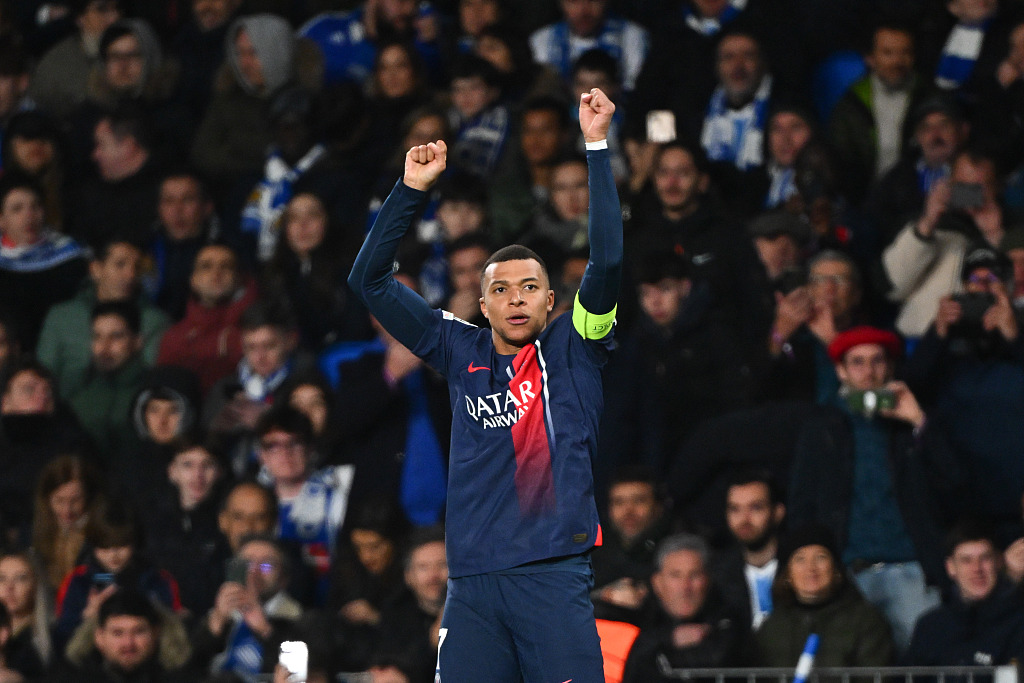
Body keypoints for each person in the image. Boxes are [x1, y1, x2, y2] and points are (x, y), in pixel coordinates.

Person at [348, 87, 620, 683]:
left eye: (529, 287)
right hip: (470, 587)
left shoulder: (577, 347)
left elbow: (607, 263)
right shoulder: (457, 346)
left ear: (552, 300)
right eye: (500, 288)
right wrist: (410, 190)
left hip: (552, 577)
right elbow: (368, 280)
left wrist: (596, 145)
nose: (515, 298)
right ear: (482, 302)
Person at [788, 326, 961, 652]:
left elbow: (955, 484)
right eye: (857, 362)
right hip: (847, 573)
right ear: (840, 370)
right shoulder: (821, 425)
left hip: (912, 569)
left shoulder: (914, 422)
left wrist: (918, 421)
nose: (868, 371)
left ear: (891, 367)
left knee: (924, 666)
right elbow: (803, 503)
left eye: (877, 360)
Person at [37, 239, 170, 398]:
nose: (131, 274)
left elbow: (157, 381)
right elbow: (42, 375)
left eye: (136, 267)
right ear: (96, 269)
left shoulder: (154, 321)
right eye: (120, 265)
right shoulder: (62, 317)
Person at [755, 524, 894, 667]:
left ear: (835, 570)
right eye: (800, 559)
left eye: (820, 557)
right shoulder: (771, 628)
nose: (811, 568)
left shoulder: (866, 622)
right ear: (787, 574)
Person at [621, 533, 751, 682]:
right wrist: (670, 638)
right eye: (675, 576)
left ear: (707, 580)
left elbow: (719, 659)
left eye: (694, 575)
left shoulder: (728, 618)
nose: (685, 587)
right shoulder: (637, 620)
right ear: (657, 582)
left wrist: (658, 657)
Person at [905, 521, 1024, 666]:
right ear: (950, 568)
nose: (977, 569)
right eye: (966, 560)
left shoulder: (1018, 625)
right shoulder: (930, 626)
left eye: (985, 558)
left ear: (999, 562)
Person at [189, 535, 302, 679]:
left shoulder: (298, 618)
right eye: (246, 564)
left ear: (283, 579)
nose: (253, 572)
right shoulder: (218, 615)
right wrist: (215, 625)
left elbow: (298, 675)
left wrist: (266, 630)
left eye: (266, 566)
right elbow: (188, 669)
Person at [155, 243, 260, 396]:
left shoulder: (255, 330)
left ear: (238, 278)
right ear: (193, 280)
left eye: (226, 266)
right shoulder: (174, 338)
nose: (216, 273)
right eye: (206, 266)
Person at [50, 588, 191, 683]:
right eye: (118, 633)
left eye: (138, 632)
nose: (128, 643)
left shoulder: (182, 677)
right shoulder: (69, 677)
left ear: (155, 633)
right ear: (99, 637)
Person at [590, 466, 669, 623]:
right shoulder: (591, 549)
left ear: (658, 507)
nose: (628, 511)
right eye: (619, 502)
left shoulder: (675, 550)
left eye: (639, 501)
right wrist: (603, 596)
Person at [710, 468, 785, 631]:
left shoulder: (800, 566)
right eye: (735, 509)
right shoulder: (715, 574)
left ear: (777, 512)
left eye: (756, 507)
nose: (744, 519)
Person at [371, 526, 448, 683]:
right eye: (423, 567)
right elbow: (390, 668)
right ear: (408, 576)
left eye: (442, 565)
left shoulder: (474, 612)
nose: (433, 576)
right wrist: (431, 643)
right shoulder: (395, 614)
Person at [31, 455, 105, 593]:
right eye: (59, 501)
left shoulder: (104, 530)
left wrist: (87, 578)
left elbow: (113, 577)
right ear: (47, 499)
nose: (67, 510)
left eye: (75, 500)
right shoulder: (35, 532)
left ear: (89, 496)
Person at [0, 552, 52, 679]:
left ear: (35, 586)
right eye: (1, 578)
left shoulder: (47, 638)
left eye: (20, 578)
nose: (9, 587)